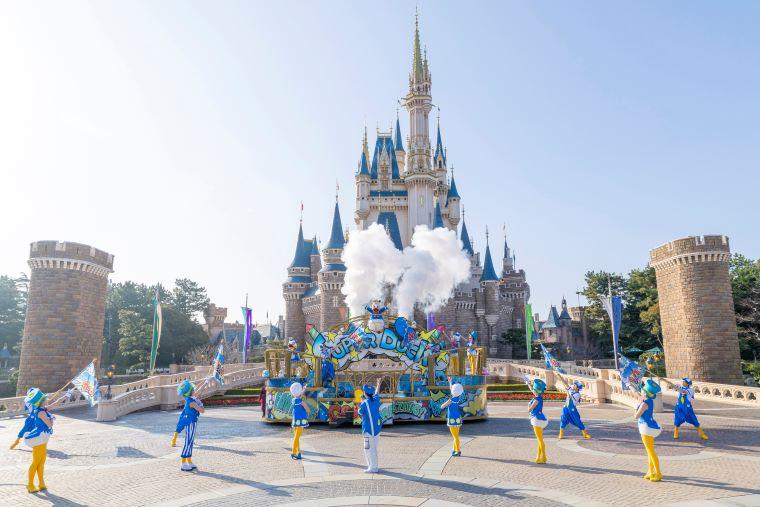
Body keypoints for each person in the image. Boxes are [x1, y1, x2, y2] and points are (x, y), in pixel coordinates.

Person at [22, 388, 53, 493]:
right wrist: (52, 418)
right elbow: (50, 425)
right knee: (36, 462)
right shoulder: (41, 413)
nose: (47, 399)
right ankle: (30, 485)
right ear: (42, 401)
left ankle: (41, 483)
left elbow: (55, 404)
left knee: (41, 462)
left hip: (43, 439)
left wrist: (66, 396)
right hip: (39, 439)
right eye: (45, 398)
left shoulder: (42, 409)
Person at [171, 380, 205, 471]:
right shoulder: (192, 402)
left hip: (192, 423)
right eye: (193, 390)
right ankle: (183, 463)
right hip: (190, 423)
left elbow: (199, 391)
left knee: (190, 442)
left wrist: (206, 382)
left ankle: (189, 461)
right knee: (188, 442)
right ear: (190, 393)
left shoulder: (190, 398)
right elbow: (202, 410)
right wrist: (200, 404)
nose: (195, 390)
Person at [635, 378, 663, 482]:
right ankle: (650, 471)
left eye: (642, 390)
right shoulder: (649, 401)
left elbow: (636, 416)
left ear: (645, 393)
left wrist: (636, 406)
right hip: (649, 426)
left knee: (650, 451)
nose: (641, 391)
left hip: (645, 428)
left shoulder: (644, 403)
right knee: (650, 451)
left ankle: (658, 473)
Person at [358, 378, 383, 473]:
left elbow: (360, 412)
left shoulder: (364, 403)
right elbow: (377, 393)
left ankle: (373, 467)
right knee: (374, 448)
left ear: (365, 393)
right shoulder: (375, 399)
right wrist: (378, 384)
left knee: (368, 449)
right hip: (377, 429)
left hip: (368, 430)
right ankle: (374, 466)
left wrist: (361, 401)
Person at [441, 378, 464, 456]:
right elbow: (453, 390)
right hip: (457, 419)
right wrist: (450, 382)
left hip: (452, 419)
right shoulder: (457, 397)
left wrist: (442, 406)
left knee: (455, 437)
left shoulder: (451, 399)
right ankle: (455, 449)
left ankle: (458, 450)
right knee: (456, 436)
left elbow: (443, 406)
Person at [527, 378, 548, 464]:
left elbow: (529, 410)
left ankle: (544, 457)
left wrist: (528, 405)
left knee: (540, 440)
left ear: (536, 391)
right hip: (539, 419)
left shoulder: (536, 400)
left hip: (536, 420)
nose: (532, 390)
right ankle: (539, 457)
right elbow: (532, 390)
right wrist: (528, 384)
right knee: (540, 439)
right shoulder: (539, 397)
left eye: (534, 389)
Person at [290, 382, 308, 460]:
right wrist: (307, 410)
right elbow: (308, 409)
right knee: (297, 437)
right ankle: (293, 452)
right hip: (301, 421)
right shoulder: (301, 402)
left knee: (296, 437)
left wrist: (303, 389)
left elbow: (299, 395)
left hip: (295, 421)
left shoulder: (293, 400)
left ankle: (299, 453)